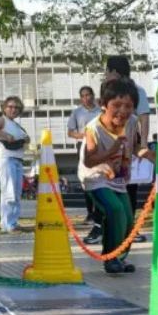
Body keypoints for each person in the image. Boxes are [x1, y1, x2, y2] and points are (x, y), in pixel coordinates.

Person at [79, 78, 155, 274]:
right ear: (103, 105)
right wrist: (112, 149)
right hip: (95, 178)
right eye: (117, 105)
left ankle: (119, 258)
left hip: (119, 179)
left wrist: (156, 158)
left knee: (129, 220)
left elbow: (137, 147)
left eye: (128, 106)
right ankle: (110, 258)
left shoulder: (132, 122)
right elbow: (89, 160)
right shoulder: (93, 128)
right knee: (115, 210)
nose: (123, 111)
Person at [105, 56, 150, 243]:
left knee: (127, 188)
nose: (106, 74)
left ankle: (129, 230)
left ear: (114, 71)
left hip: (127, 148)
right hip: (107, 147)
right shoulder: (107, 91)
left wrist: (143, 145)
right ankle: (110, 229)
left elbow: (143, 118)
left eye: (107, 70)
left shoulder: (136, 91)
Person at [0, 96, 29, 233]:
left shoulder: (15, 124)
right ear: (4, 108)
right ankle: (8, 224)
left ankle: (12, 222)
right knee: (9, 192)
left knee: (16, 192)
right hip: (7, 159)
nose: (13, 109)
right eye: (10, 106)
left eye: (16, 107)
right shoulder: (2, 120)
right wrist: (4, 135)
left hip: (17, 160)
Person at [68, 86, 101, 226]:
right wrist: (83, 135)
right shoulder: (77, 112)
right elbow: (70, 132)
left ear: (93, 95)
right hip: (83, 147)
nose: (86, 98)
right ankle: (90, 213)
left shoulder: (100, 110)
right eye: (83, 96)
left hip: (100, 146)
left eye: (88, 95)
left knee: (99, 177)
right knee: (86, 179)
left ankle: (100, 211)